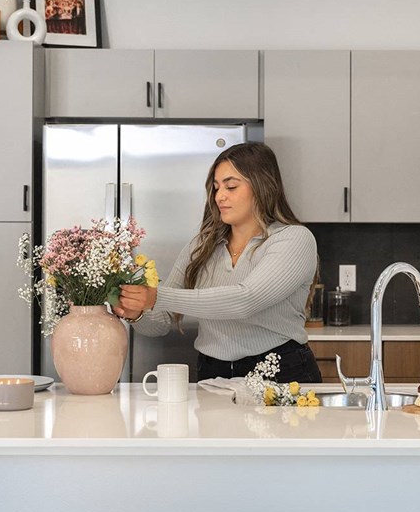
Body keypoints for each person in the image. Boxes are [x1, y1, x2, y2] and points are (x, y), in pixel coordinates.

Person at [113, 142, 322, 383]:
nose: (219, 196)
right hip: (212, 374)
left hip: (282, 374)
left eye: (231, 186)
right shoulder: (202, 246)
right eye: (216, 187)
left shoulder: (293, 239)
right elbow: (161, 321)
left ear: (263, 186)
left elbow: (245, 300)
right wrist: (136, 312)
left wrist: (155, 296)